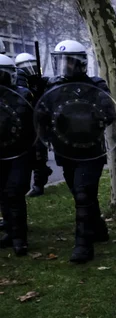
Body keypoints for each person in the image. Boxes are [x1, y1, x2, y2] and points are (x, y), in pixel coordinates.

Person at [36, 40, 116, 264]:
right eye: (61, 61)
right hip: (65, 152)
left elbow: (109, 113)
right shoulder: (53, 87)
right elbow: (42, 113)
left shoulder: (96, 85)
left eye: (69, 62)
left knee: (82, 194)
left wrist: (84, 116)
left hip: (90, 151)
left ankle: (83, 245)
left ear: (80, 63)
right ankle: (99, 230)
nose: (65, 66)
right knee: (83, 194)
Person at [0, 54, 35, 256]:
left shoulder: (23, 95)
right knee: (3, 193)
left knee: (14, 192)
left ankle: (20, 239)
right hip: (2, 152)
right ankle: (11, 233)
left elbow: (31, 122)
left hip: (20, 152)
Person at [15, 53, 52, 197]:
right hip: (26, 123)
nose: (30, 69)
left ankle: (39, 183)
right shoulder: (19, 84)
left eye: (31, 65)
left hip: (40, 123)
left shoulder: (42, 82)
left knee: (39, 154)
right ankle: (40, 173)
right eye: (25, 67)